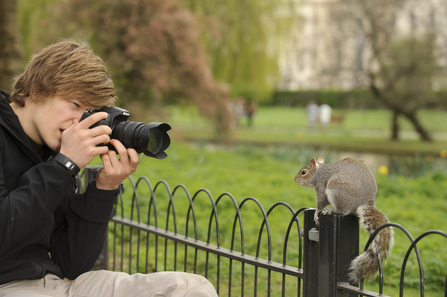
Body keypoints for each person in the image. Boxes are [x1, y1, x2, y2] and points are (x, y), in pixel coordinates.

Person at [0, 40, 218, 297]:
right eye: (75, 105)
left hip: (54, 285)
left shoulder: (55, 153)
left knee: (190, 289)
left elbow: (73, 263)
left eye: (90, 112)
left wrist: (105, 188)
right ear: (37, 89)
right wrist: (63, 165)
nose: (80, 122)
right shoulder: (58, 160)